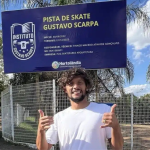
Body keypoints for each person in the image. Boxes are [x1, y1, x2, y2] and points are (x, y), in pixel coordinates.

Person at [36, 68, 124, 150]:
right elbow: (43, 148)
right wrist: (40, 130)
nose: (75, 87)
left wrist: (116, 127)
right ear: (65, 89)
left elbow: (118, 148)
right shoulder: (58, 117)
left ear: (86, 87)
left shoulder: (103, 110)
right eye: (70, 83)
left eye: (80, 83)